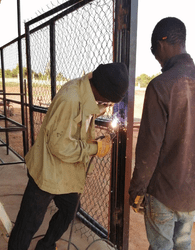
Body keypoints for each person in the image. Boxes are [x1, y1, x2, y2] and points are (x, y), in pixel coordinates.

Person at [8, 62, 129, 250]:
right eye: (108, 101)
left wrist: (93, 140)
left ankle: (46, 246)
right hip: (47, 171)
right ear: (102, 93)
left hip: (65, 171)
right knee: (28, 224)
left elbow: (74, 132)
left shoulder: (87, 90)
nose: (108, 105)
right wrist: (94, 148)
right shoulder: (70, 99)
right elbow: (59, 146)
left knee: (70, 210)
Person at [129, 17, 195, 250]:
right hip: (191, 192)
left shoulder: (160, 86)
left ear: (161, 44)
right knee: (183, 244)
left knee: (161, 246)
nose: (155, 57)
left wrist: (137, 190)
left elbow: (149, 148)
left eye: (153, 50)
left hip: (163, 193)